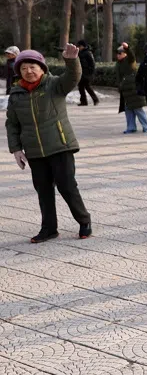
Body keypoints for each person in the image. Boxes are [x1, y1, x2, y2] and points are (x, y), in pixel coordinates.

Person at [6, 45, 92, 242]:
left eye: (33, 67)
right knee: (43, 191)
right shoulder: (16, 94)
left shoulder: (54, 85)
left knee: (67, 186)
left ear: (42, 68)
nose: (28, 71)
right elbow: (12, 124)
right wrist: (16, 149)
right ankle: (49, 229)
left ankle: (84, 220)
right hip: (35, 151)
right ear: (19, 71)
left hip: (60, 145)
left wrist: (71, 61)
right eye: (24, 68)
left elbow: (73, 77)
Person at [115, 43, 147, 134]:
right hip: (125, 91)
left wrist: (127, 48)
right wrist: (119, 86)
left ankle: (146, 126)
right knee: (128, 110)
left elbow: (132, 55)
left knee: (138, 109)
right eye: (117, 53)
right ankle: (131, 127)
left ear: (125, 53)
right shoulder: (119, 64)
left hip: (133, 89)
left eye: (120, 53)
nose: (118, 55)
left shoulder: (130, 60)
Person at [76, 39, 99, 106]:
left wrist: (90, 73)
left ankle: (96, 100)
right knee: (81, 87)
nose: (78, 47)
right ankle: (84, 101)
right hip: (82, 73)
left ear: (83, 46)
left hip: (87, 74)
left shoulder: (88, 53)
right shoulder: (81, 53)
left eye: (79, 46)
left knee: (87, 87)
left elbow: (92, 64)